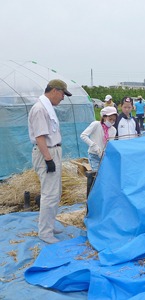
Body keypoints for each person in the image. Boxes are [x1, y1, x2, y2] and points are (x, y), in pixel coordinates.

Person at [28, 79, 72, 244]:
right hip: (46, 152)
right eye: (62, 94)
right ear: (54, 91)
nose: (63, 98)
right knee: (49, 194)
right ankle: (45, 232)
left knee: (56, 192)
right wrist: (48, 159)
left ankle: (49, 224)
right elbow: (40, 136)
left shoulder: (47, 108)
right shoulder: (40, 109)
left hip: (53, 151)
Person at [80, 106, 118, 172]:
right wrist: (93, 145)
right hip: (94, 155)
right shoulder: (96, 124)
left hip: (105, 156)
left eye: (114, 120)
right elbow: (83, 135)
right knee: (96, 175)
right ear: (104, 117)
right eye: (110, 119)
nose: (112, 121)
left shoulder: (113, 130)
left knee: (105, 174)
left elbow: (110, 144)